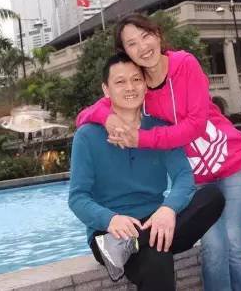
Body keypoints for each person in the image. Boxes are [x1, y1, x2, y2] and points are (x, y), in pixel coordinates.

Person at [77, 13, 241, 291]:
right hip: (197, 174)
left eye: (146, 36)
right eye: (132, 43)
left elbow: (195, 126)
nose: (142, 47)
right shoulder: (139, 88)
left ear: (158, 35)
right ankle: (130, 243)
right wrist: (108, 118)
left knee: (235, 244)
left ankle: (129, 244)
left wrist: (141, 139)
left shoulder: (184, 64)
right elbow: (86, 115)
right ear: (125, 52)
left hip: (232, 161)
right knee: (213, 249)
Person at [69, 53, 225, 290]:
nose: (130, 87)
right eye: (120, 82)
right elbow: (78, 197)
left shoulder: (159, 129)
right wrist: (110, 219)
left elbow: (184, 177)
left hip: (157, 220)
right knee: (158, 257)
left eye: (136, 80)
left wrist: (168, 209)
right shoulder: (87, 136)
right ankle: (128, 243)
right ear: (106, 90)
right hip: (111, 231)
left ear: (145, 85)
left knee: (212, 197)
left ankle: (134, 244)